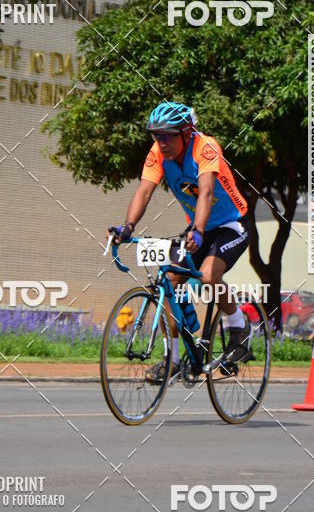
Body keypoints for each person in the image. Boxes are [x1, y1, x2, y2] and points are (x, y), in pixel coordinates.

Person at [108, 101, 253, 384]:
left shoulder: (205, 147)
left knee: (210, 275)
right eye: (156, 136)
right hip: (198, 228)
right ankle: (173, 360)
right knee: (167, 282)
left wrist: (198, 230)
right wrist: (128, 227)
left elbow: (206, 191)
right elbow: (144, 191)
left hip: (230, 225)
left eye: (167, 136)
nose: (161, 142)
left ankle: (238, 325)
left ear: (187, 133)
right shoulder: (158, 153)